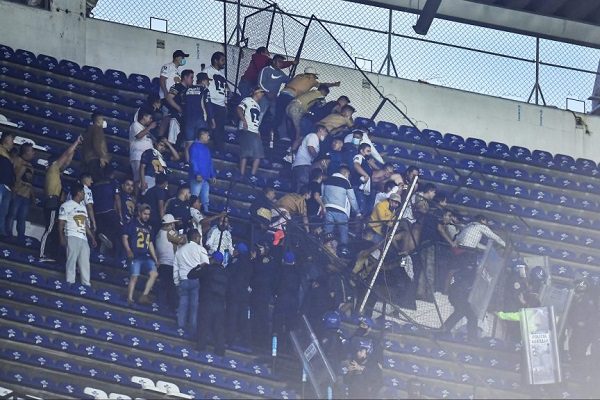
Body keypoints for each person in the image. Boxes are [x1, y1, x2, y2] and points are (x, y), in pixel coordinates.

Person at [40, 136, 81, 261]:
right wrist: (76, 142)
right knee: (50, 229)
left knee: (52, 230)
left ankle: (49, 254)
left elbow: (67, 161)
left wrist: (75, 150)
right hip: (52, 201)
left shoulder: (55, 172)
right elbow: (65, 155)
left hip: (54, 201)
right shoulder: (53, 169)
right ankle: (42, 254)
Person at [273, 67, 340, 141]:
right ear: (311, 74)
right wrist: (334, 84)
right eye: (314, 75)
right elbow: (322, 85)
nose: (315, 77)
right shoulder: (311, 80)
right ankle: (285, 136)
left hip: (283, 93)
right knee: (290, 120)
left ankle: (274, 131)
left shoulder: (298, 76)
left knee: (280, 115)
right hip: (292, 96)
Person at [58, 183, 97, 286]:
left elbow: (85, 224)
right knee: (71, 260)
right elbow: (61, 223)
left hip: (83, 238)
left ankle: (86, 284)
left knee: (85, 263)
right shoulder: (66, 205)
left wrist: (92, 238)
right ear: (79, 193)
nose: (84, 194)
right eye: (83, 192)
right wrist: (61, 237)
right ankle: (70, 282)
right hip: (71, 235)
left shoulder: (83, 208)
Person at [192, 251, 228, 355]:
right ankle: (220, 351)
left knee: (203, 325)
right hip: (220, 304)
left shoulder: (206, 269)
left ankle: (201, 348)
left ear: (212, 260)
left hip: (206, 302)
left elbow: (191, 275)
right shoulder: (226, 272)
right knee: (219, 328)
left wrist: (199, 266)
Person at [122, 204, 159, 305]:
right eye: (145, 214)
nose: (147, 216)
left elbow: (150, 243)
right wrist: (128, 250)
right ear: (139, 213)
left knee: (154, 274)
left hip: (145, 256)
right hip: (136, 255)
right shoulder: (132, 223)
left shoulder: (149, 227)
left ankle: (144, 295)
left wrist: (155, 258)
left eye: (148, 214)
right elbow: (124, 237)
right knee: (134, 276)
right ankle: (130, 298)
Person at [173, 229, 208, 333]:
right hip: (195, 280)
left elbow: (176, 267)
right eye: (199, 237)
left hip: (183, 279)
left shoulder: (180, 250)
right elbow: (206, 264)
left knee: (182, 304)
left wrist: (176, 282)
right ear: (196, 237)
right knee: (194, 305)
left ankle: (180, 326)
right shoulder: (200, 249)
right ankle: (192, 328)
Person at [322, 165, 361, 257]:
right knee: (343, 230)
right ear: (346, 173)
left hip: (328, 208)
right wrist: (357, 211)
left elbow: (323, 194)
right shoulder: (345, 182)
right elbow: (352, 199)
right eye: (348, 175)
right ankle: (343, 249)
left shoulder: (328, 179)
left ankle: (326, 248)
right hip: (341, 210)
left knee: (328, 231)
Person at [272, 251, 302, 350]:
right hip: (293, 302)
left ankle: (275, 347)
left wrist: (274, 294)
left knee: (277, 324)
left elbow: (276, 284)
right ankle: (289, 347)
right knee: (290, 326)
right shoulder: (297, 273)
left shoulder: (281, 271)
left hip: (281, 300)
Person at [250, 242, 277, 351]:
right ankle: (255, 339)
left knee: (261, 317)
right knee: (256, 316)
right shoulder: (258, 260)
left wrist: (254, 260)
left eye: (260, 248)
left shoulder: (268, 261)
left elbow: (258, 271)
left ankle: (261, 341)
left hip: (263, 293)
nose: (258, 250)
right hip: (257, 293)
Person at [183, 72, 215, 162]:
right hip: (200, 119)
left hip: (188, 120)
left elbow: (183, 103)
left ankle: (187, 163)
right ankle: (199, 162)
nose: (208, 83)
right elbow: (208, 105)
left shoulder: (188, 89)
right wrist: (212, 120)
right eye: (208, 81)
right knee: (202, 142)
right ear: (204, 81)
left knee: (188, 144)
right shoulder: (204, 90)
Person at [225, 242, 252, 347]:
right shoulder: (249, 263)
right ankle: (246, 342)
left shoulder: (235, 261)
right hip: (244, 294)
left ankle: (230, 340)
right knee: (244, 319)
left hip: (234, 293)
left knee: (232, 317)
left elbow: (228, 274)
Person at [7, 142, 34, 240]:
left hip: (26, 196)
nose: (33, 153)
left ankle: (21, 237)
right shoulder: (17, 160)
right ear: (26, 152)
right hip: (16, 193)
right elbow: (12, 176)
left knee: (22, 218)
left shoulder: (31, 166)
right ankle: (7, 234)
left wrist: (33, 196)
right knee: (11, 215)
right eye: (31, 151)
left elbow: (30, 182)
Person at [237, 87, 266, 178]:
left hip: (254, 131)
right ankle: (241, 174)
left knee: (259, 154)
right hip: (247, 129)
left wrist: (258, 131)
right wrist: (243, 120)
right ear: (256, 92)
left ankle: (252, 175)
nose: (262, 94)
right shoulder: (247, 100)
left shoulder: (258, 105)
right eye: (261, 92)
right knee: (245, 152)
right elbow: (239, 109)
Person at [91, 166, 121, 253]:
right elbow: (117, 198)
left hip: (97, 212)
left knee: (99, 236)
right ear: (112, 173)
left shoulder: (95, 183)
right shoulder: (113, 182)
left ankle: (98, 254)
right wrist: (120, 214)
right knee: (119, 229)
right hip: (109, 211)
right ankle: (107, 236)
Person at [204, 52, 230, 151]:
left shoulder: (222, 75)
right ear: (215, 60)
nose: (224, 63)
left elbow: (224, 90)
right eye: (222, 60)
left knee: (220, 129)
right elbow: (203, 88)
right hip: (211, 104)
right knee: (210, 127)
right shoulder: (207, 71)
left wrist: (225, 103)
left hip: (221, 105)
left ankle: (219, 150)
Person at [291, 124, 329, 192]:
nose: (326, 134)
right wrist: (318, 158)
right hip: (302, 165)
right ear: (320, 129)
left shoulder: (316, 140)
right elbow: (310, 148)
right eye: (325, 132)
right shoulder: (313, 136)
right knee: (302, 187)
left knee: (300, 187)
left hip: (303, 165)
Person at [258, 54, 294, 124]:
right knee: (261, 113)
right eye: (279, 62)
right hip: (264, 95)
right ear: (274, 61)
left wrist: (299, 78)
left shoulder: (281, 73)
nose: (281, 64)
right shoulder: (266, 69)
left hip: (274, 98)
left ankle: (268, 132)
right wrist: (267, 92)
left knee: (274, 115)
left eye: (282, 62)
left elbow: (290, 81)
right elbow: (260, 83)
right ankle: (254, 130)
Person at [129, 109, 157, 191]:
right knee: (138, 179)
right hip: (137, 155)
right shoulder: (135, 125)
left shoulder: (145, 128)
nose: (151, 120)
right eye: (150, 118)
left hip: (147, 158)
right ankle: (136, 198)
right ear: (144, 116)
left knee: (145, 180)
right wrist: (150, 127)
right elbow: (139, 136)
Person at [188, 129, 215, 213]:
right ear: (202, 135)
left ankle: (205, 215)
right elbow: (193, 161)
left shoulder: (206, 149)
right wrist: (197, 174)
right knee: (194, 199)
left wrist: (213, 174)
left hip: (206, 178)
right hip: (197, 178)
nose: (209, 137)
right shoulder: (194, 147)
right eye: (207, 135)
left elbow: (210, 162)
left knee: (205, 200)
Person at [165, 69, 194, 145]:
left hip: (186, 117)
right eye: (191, 77)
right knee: (173, 139)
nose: (192, 80)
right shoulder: (177, 86)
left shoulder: (190, 89)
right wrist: (178, 108)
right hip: (175, 116)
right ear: (185, 77)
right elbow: (169, 98)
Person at [82, 112, 110, 181]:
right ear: (98, 120)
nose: (103, 121)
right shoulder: (97, 129)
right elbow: (97, 144)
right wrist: (101, 157)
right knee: (97, 181)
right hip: (96, 159)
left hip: (88, 159)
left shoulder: (89, 129)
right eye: (102, 119)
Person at [0, 132, 15, 239]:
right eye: (11, 139)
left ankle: (1, 231)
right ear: (5, 139)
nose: (13, 142)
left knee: (3, 212)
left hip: (7, 186)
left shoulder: (8, 155)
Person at [352, 143, 373, 215]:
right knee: (359, 211)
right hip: (358, 187)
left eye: (370, 151)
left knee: (362, 210)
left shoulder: (365, 160)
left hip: (362, 189)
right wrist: (365, 175)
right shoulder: (359, 156)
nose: (369, 153)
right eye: (367, 151)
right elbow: (356, 165)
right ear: (361, 150)